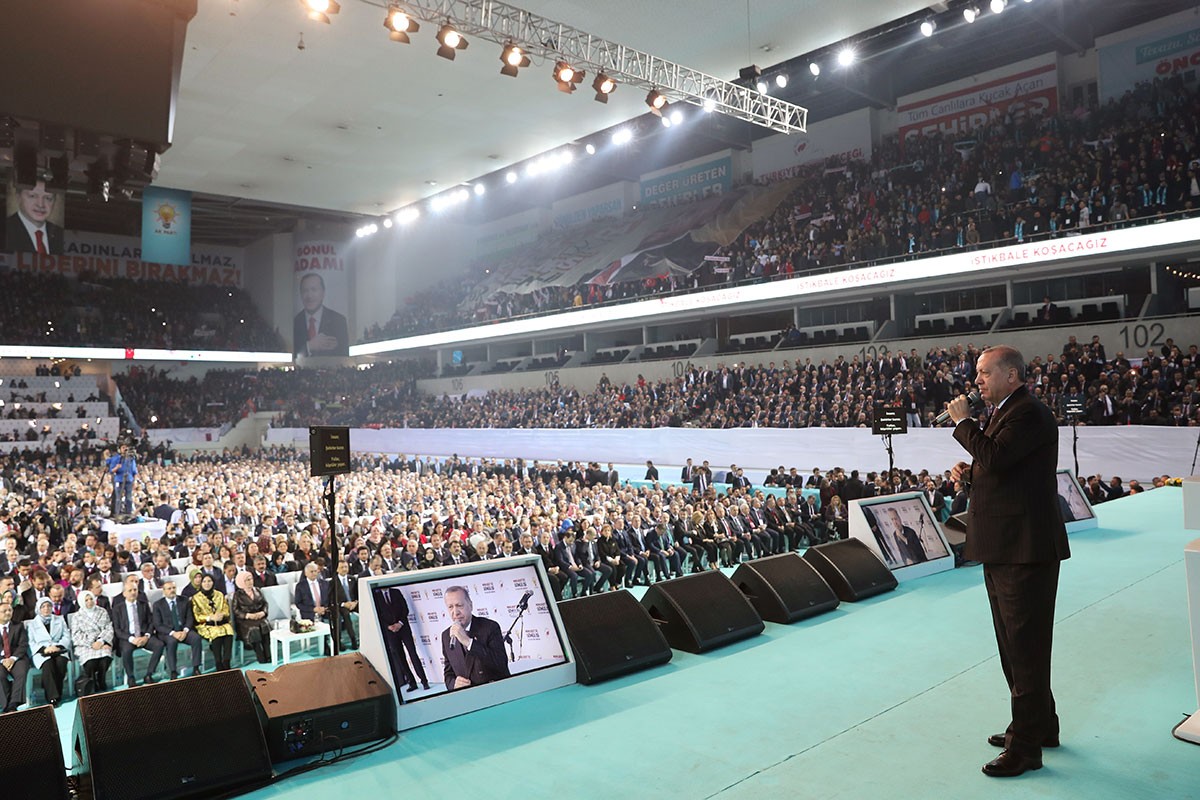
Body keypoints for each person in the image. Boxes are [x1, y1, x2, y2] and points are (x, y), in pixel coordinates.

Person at [947, 345, 1070, 778]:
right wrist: (973, 472)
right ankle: (1038, 726)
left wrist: (963, 423)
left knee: (1024, 649)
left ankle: (1026, 749)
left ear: (1012, 375)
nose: (976, 380)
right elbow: (1000, 468)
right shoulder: (1010, 411)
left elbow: (997, 456)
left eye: (984, 373)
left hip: (1024, 549)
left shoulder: (1028, 413)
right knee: (1017, 647)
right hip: (1008, 546)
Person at [440, 585, 510, 691]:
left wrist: (469, 642)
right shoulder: (446, 636)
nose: (455, 612)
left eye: (459, 605)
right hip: (467, 698)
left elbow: (500, 664)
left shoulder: (490, 627)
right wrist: (454, 684)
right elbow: (448, 673)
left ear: (470, 605)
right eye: (450, 607)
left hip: (496, 692)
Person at [111, 578, 165, 687]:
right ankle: (131, 677)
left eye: (135, 590)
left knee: (159, 645)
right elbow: (117, 630)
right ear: (124, 593)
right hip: (128, 638)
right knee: (126, 650)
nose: (133, 593)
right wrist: (132, 639)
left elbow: (151, 623)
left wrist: (146, 636)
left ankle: (149, 674)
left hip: (143, 635)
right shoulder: (117, 609)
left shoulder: (143, 605)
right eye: (130, 590)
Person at [375, 586, 430, 693]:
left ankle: (424, 681)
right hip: (390, 632)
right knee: (400, 658)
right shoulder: (376, 596)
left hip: (403, 628)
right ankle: (411, 682)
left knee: (413, 654)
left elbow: (405, 609)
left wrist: (400, 623)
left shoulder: (396, 592)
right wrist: (388, 626)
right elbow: (378, 614)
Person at [152, 579, 204, 678]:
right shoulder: (158, 605)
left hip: (184, 630)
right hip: (168, 633)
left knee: (196, 638)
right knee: (172, 642)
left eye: (174, 588)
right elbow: (158, 625)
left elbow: (190, 618)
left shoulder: (184, 600)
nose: (172, 590)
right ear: (164, 591)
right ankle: (173, 671)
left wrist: (185, 630)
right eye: (169, 589)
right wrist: (173, 633)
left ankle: (196, 668)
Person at [28, 597, 72, 706]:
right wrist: (44, 649)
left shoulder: (59, 619)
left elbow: (66, 636)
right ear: (38, 609)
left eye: (49, 606)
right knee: (48, 665)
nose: (46, 609)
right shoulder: (32, 624)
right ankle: (53, 698)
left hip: (58, 650)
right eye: (43, 607)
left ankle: (57, 692)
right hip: (41, 653)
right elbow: (31, 642)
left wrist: (58, 646)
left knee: (61, 663)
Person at [293, 272, 349, 357]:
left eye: (314, 290)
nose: (309, 296)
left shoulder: (339, 321)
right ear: (300, 294)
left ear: (323, 293)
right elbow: (292, 356)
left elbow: (344, 355)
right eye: (305, 291)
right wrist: (309, 346)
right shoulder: (295, 322)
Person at [70, 589, 113, 695]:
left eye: (91, 599)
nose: (89, 602)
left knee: (106, 656)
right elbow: (76, 636)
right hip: (85, 645)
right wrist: (91, 644)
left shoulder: (102, 611)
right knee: (90, 661)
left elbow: (108, 628)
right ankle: (92, 684)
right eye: (86, 600)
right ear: (81, 602)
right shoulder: (76, 616)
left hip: (101, 642)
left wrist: (101, 641)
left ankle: (101, 679)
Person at [4, 180, 64, 254]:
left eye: (48, 198)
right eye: (32, 196)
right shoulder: (5, 229)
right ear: (18, 197)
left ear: (54, 201)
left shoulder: (61, 234)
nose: (40, 204)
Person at [192, 573, 235, 671]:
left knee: (229, 631)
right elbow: (197, 616)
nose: (207, 584)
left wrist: (222, 615)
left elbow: (226, 609)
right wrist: (210, 617)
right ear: (201, 583)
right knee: (216, 634)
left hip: (221, 622)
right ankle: (218, 663)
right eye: (204, 581)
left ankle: (226, 661)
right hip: (205, 624)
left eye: (209, 581)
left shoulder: (219, 594)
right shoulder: (196, 598)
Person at [230, 571, 272, 664]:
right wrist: (247, 615)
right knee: (254, 629)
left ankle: (268, 654)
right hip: (245, 621)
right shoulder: (238, 594)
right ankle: (260, 655)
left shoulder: (257, 590)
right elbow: (235, 610)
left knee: (265, 625)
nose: (250, 582)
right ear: (241, 582)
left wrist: (263, 612)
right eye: (247, 580)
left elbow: (265, 604)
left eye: (251, 579)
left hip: (259, 617)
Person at [0, 601, 30, 712]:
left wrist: (13, 659)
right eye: (4, 611)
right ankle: (5, 704)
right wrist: (3, 661)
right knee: (0, 675)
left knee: (21, 672)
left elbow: (23, 645)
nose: (8, 613)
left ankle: (14, 703)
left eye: (9, 610)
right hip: (1, 660)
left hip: (17, 657)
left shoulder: (18, 625)